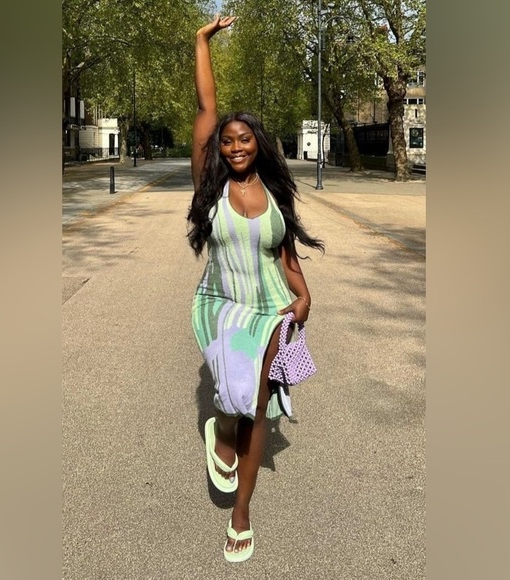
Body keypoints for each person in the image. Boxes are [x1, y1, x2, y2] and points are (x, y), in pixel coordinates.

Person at [187, 15, 324, 563]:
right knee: (232, 398)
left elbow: (285, 252)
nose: (235, 147)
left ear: (257, 144)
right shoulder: (210, 183)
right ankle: (220, 431)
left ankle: (241, 513)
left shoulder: (272, 192)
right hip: (221, 305)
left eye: (244, 139)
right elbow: (207, 108)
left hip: (270, 308)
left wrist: (304, 295)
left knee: (258, 404)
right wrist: (202, 40)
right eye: (227, 141)